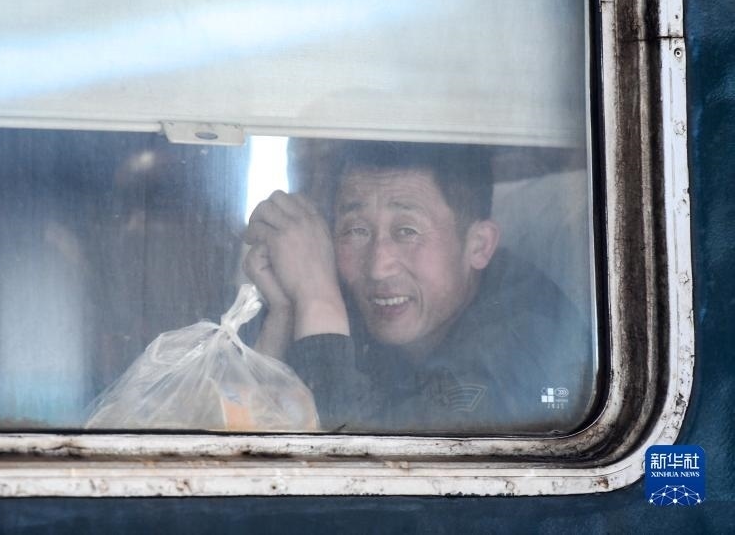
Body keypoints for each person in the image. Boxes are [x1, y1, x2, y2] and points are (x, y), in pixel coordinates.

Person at [243, 142, 591, 433]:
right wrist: (286, 314)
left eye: (407, 231)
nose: (378, 267)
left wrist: (318, 301)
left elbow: (367, 466)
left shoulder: (525, 345)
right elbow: (244, 418)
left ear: (479, 246)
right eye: (357, 230)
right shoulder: (355, 291)